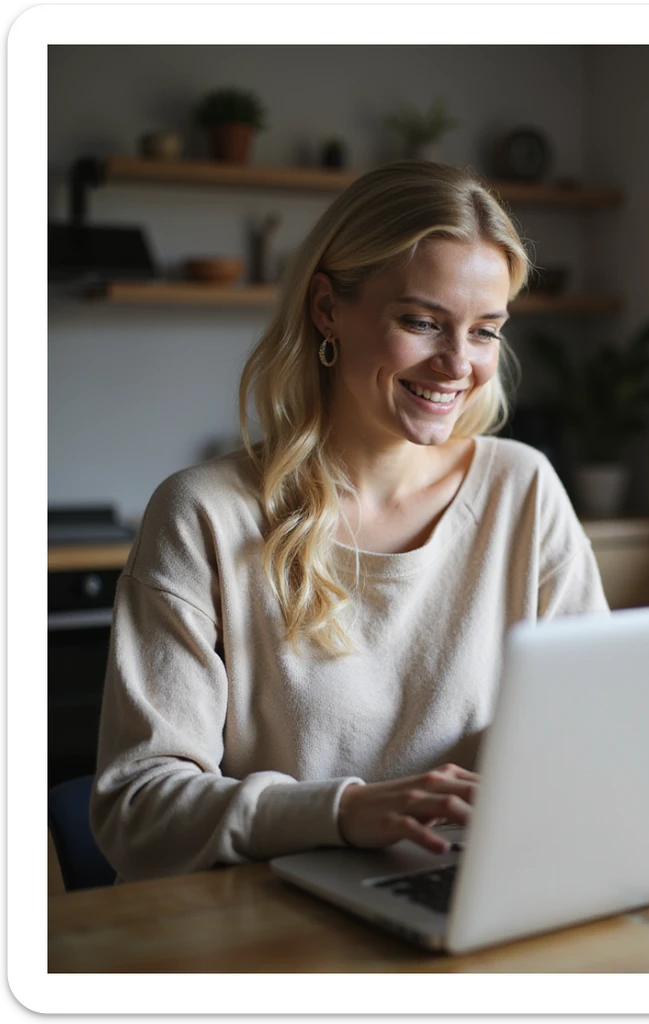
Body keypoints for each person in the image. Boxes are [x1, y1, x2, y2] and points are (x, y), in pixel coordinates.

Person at [90, 162, 609, 883]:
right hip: (265, 914)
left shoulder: (523, 488)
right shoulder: (202, 513)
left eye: (485, 331)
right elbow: (137, 809)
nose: (458, 364)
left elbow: (593, 726)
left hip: (467, 892)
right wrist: (341, 812)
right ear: (327, 308)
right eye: (422, 322)